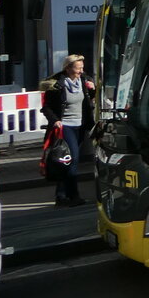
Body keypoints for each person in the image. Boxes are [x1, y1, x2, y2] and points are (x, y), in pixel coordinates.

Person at [40, 54, 96, 207]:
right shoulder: (57, 85)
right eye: (78, 68)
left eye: (82, 68)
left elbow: (88, 100)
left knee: (66, 161)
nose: (80, 71)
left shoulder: (84, 80)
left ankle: (61, 195)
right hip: (65, 127)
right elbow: (46, 107)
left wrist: (92, 90)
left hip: (81, 126)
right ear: (68, 68)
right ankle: (74, 196)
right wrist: (55, 120)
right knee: (72, 160)